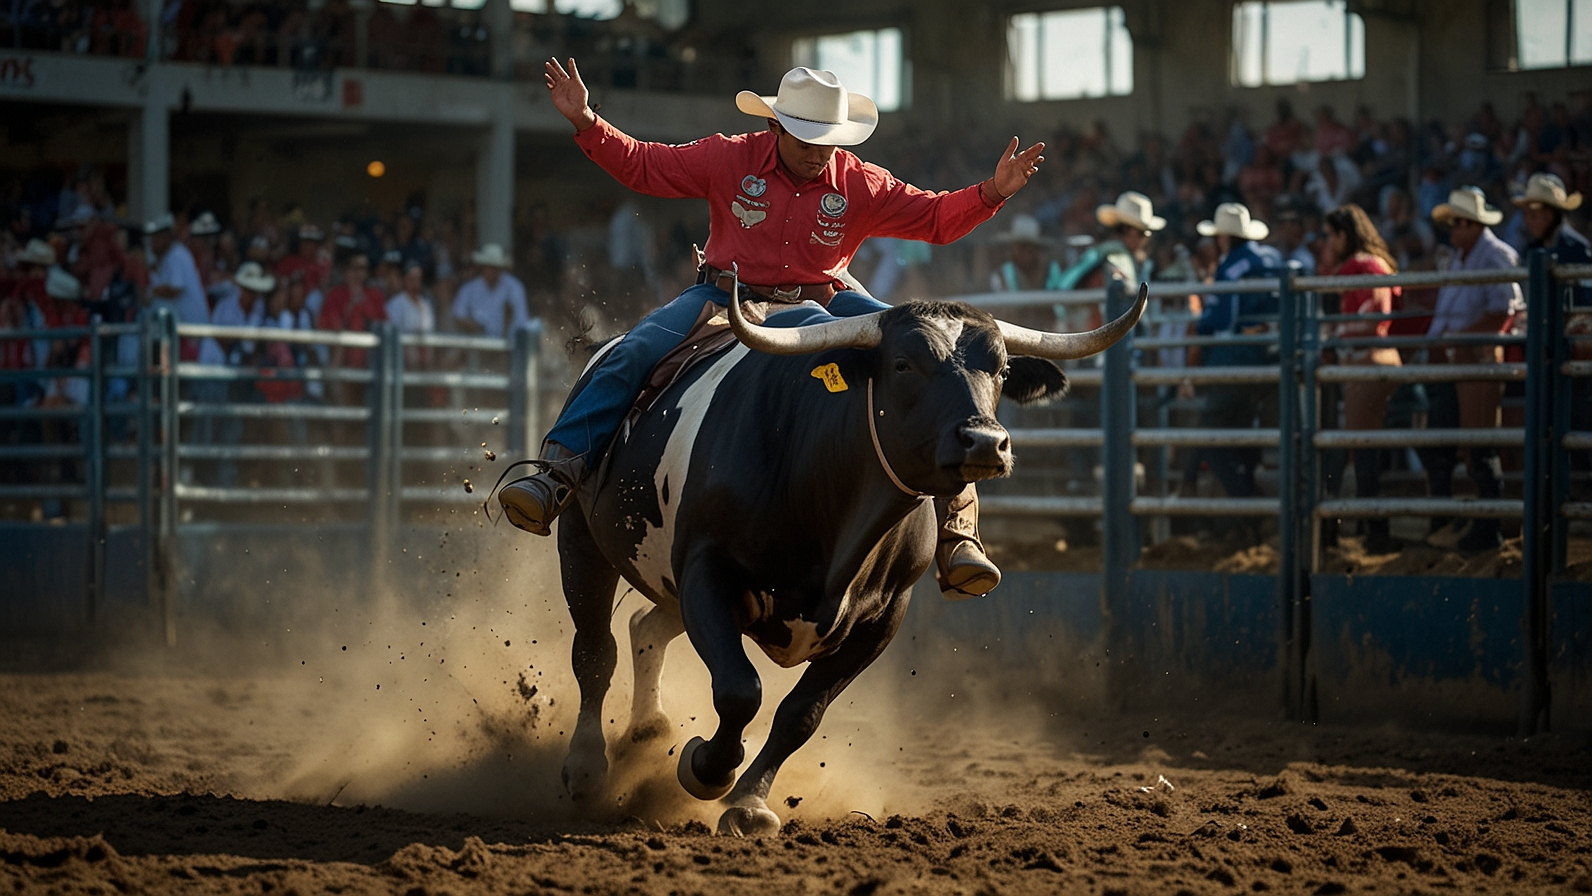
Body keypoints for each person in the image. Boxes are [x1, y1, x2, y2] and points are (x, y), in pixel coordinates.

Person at [499, 59, 1046, 598]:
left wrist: (992, 192)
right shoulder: (728, 157)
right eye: (804, 138)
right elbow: (646, 165)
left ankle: (958, 532)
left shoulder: (860, 182)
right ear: (773, 126)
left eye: (826, 141)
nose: (815, 153)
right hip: (724, 294)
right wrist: (588, 121)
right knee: (633, 351)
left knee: (933, 353)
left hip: (828, 298)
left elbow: (934, 218)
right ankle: (558, 473)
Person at [1423, 187, 1523, 552]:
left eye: (1457, 223)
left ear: (1472, 224)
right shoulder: (1462, 258)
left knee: (1479, 443)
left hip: (1478, 357)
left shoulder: (1494, 255)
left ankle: (1488, 527)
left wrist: (1457, 337)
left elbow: (1505, 309)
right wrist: (1440, 341)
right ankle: (1450, 521)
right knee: (1445, 441)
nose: (1452, 230)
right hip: (1457, 358)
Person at [1184, 203, 1282, 509]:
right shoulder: (1272, 258)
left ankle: (1245, 499)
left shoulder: (1232, 268)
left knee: (1209, 435)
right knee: (1242, 432)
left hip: (1234, 357)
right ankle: (1246, 505)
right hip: (1270, 356)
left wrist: (1202, 324)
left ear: (1223, 238)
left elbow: (1219, 319)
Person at [1321, 204, 1403, 554]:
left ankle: (1375, 531)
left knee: (1362, 448)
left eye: (1330, 235)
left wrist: (1336, 337)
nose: (1327, 242)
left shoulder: (1365, 268)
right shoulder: (1369, 266)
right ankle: (1372, 528)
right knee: (1363, 448)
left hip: (1367, 361)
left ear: (1343, 235)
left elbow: (1370, 322)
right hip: (1370, 360)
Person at [146, 213, 211, 361]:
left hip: (194, 332)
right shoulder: (167, 257)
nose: (152, 243)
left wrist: (151, 293)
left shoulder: (177, 254)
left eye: (156, 238)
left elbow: (175, 289)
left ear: (166, 237)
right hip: (183, 333)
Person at [452, 243, 529, 338]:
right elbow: (459, 315)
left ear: (501, 267)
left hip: (509, 345)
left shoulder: (515, 287)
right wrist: (476, 327)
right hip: (477, 344)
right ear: (482, 267)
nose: (491, 270)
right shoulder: (469, 288)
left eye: (495, 266)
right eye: (488, 266)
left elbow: (521, 322)